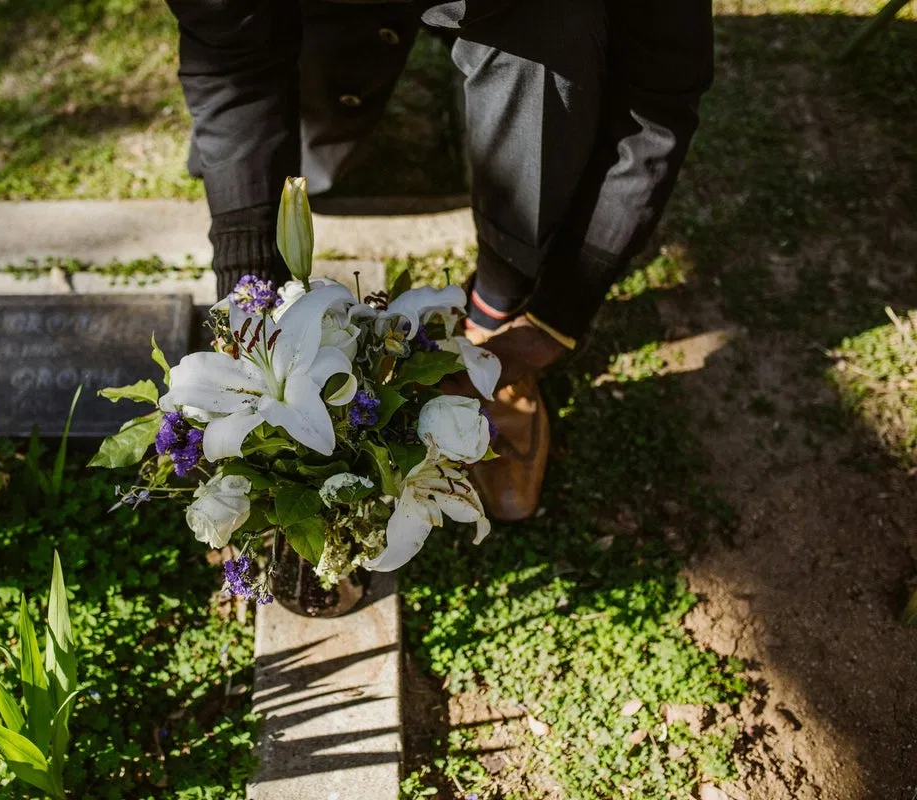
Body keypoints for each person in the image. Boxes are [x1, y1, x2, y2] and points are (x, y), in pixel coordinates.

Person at [165, 0, 714, 520]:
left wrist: (555, 315)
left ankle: (494, 312)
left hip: (528, 29)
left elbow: (657, 96)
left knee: (556, 30)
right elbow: (231, 60)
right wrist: (250, 297)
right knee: (289, 139)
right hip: (323, 28)